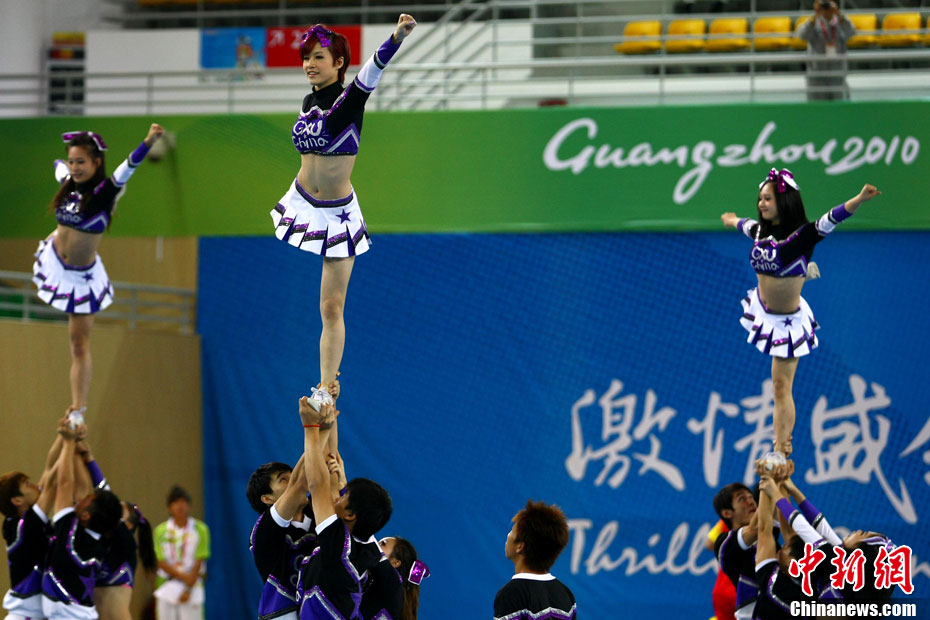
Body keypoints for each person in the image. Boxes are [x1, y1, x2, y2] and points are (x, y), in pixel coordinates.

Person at [269, 15, 416, 409]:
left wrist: (397, 37)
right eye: (306, 58)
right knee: (319, 306)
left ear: (338, 63)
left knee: (332, 306)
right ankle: (325, 382)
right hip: (304, 202)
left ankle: (325, 386)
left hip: (338, 217)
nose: (309, 64)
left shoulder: (351, 100)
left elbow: (375, 67)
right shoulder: (307, 102)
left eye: (319, 57)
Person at [720, 170, 881, 456]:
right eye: (760, 199)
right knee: (776, 386)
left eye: (768, 199)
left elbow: (832, 218)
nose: (761, 204)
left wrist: (859, 199)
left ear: (785, 201)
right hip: (764, 311)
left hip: (787, 322)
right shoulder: (760, 231)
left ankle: (781, 450)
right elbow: (745, 225)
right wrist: (731, 220)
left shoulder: (804, 235)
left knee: (782, 387)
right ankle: (804, 272)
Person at [33, 124, 164, 416]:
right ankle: (76, 408)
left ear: (96, 162)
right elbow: (59, 169)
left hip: (81, 278)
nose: (75, 167)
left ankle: (78, 410)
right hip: (56, 262)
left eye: (81, 162)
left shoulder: (105, 193)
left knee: (79, 345)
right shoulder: (68, 184)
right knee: (74, 342)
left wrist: (148, 142)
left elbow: (128, 167)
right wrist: (60, 164)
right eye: (72, 161)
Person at [295, 399, 392, 619]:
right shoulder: (366, 544)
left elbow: (317, 484)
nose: (338, 496)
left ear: (350, 514)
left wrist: (311, 428)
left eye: (344, 496)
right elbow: (329, 469)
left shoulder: (338, 547)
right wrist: (329, 405)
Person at [41, 419, 124, 620]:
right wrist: (78, 444)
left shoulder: (70, 536)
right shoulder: (96, 533)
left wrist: (69, 441)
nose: (82, 497)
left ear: (86, 514)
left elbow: (65, 483)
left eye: (87, 499)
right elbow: (82, 487)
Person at [1, 420, 67, 620]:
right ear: (17, 500)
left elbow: (49, 468)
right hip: (25, 616)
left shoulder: (22, 518)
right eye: (28, 485)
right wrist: (70, 444)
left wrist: (63, 434)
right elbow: (52, 484)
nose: (36, 486)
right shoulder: (24, 526)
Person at [246, 457, 317, 620]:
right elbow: (299, 485)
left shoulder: (317, 515)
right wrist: (313, 441)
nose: (296, 481)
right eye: (284, 479)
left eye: (294, 476)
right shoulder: (264, 530)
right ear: (267, 498)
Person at [493, 500, 576, 620]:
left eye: (512, 531)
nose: (508, 535)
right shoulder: (566, 593)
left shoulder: (511, 594)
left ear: (520, 546)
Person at [153, 486, 210, 620]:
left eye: (183, 502)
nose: (180, 506)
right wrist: (184, 577)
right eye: (175, 502)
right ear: (169, 507)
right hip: (167, 584)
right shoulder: (160, 531)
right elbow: (160, 561)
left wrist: (188, 587)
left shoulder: (200, 529)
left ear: (189, 505)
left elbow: (200, 559)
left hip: (193, 585)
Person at [797, 0, 855, 101]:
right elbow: (802, 35)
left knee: (838, 105)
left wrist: (838, 14)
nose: (827, 10)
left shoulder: (841, 22)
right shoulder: (813, 22)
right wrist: (815, 15)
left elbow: (851, 32)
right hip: (817, 74)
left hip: (837, 73)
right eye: (824, 7)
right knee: (817, 107)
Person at [365, 536, 429, 620]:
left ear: (395, 562)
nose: (377, 544)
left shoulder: (393, 584)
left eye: (383, 544)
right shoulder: (380, 582)